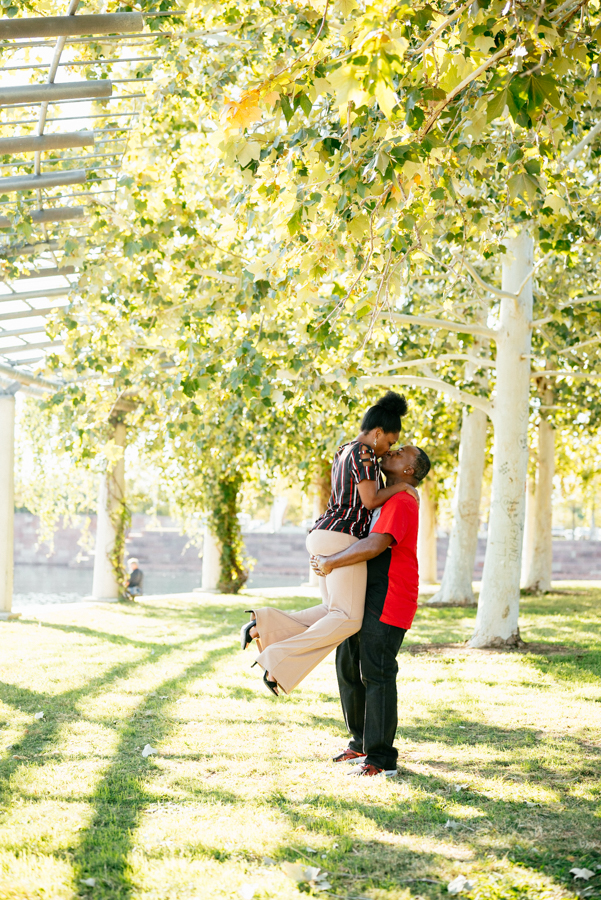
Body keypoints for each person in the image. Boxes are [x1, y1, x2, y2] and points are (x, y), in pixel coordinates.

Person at [241, 392, 418, 696]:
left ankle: (263, 625)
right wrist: (403, 486)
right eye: (389, 443)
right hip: (341, 536)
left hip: (326, 532)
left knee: (331, 610)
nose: (388, 449)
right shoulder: (364, 452)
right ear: (377, 434)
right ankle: (276, 659)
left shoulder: (344, 450)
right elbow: (370, 500)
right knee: (348, 619)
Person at [311, 444, 431, 777]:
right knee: (347, 661)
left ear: (409, 470)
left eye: (401, 452)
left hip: (390, 595)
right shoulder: (377, 496)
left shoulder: (402, 501)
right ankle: (360, 742)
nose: (393, 451)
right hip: (364, 592)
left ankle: (381, 759)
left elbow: (377, 544)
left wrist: (331, 562)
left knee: (376, 671)